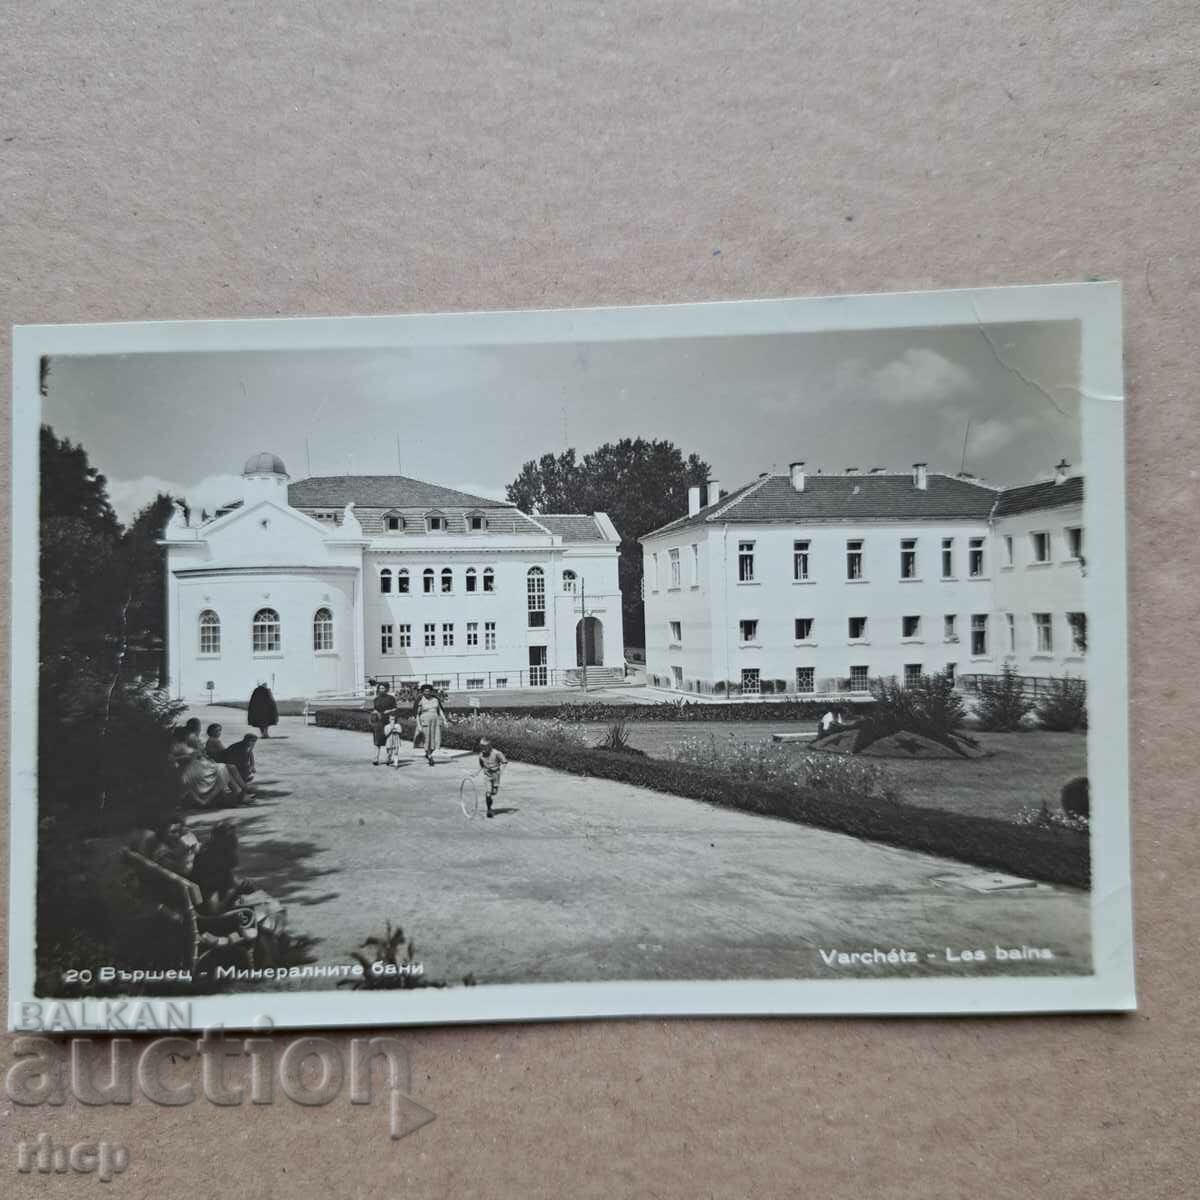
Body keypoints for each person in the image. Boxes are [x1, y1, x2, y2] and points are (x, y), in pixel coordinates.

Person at [169, 728, 253, 808]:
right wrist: (189, 757)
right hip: (193, 770)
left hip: (201, 767)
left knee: (227, 767)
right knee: (224, 768)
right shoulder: (175, 746)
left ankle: (240, 791)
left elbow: (198, 754)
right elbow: (171, 759)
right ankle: (240, 793)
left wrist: (197, 754)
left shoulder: (184, 744)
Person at [192, 819, 257, 914]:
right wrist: (233, 891)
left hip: (218, 896)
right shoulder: (210, 867)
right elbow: (213, 909)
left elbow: (229, 879)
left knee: (247, 886)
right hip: (213, 917)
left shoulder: (210, 852)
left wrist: (236, 885)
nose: (236, 840)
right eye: (233, 838)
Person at [412, 684, 448, 766]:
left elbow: (440, 711)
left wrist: (445, 720)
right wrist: (419, 725)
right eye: (425, 691)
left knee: (436, 739)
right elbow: (417, 714)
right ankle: (430, 756)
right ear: (422, 692)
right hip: (425, 722)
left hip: (435, 722)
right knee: (427, 739)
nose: (427, 693)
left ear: (431, 691)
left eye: (429, 691)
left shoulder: (435, 699)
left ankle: (429, 753)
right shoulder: (420, 700)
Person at [477, 738, 508, 819]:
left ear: (489, 746)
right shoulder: (481, 755)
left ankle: (490, 801)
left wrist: (501, 770)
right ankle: (489, 810)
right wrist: (476, 772)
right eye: (481, 746)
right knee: (488, 793)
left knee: (493, 793)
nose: (483, 748)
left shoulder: (497, 753)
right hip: (487, 775)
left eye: (484, 746)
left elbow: (504, 762)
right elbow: (481, 765)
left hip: (496, 775)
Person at [369, 681, 397, 765]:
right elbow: (374, 709)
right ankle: (375, 759)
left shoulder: (391, 698)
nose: (382, 690)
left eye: (383, 688)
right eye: (380, 688)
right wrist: (375, 712)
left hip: (388, 720)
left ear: (387, 689)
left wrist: (389, 710)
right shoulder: (376, 699)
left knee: (389, 741)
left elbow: (395, 709)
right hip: (378, 722)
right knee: (377, 741)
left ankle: (388, 759)